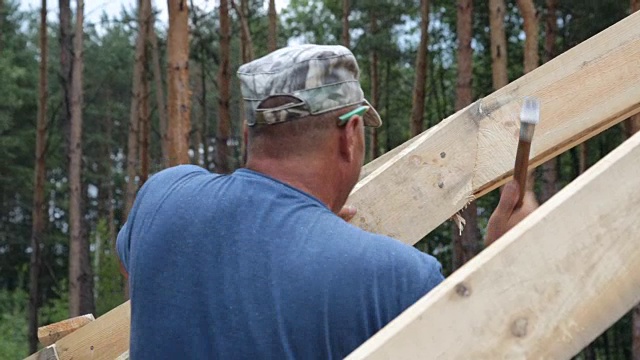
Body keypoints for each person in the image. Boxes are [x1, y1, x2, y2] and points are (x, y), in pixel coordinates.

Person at [117, 44, 535, 359]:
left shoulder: (162, 197)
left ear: (249, 138)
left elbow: (140, 258)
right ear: (351, 135)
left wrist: (308, 233)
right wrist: (513, 260)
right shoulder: (395, 280)